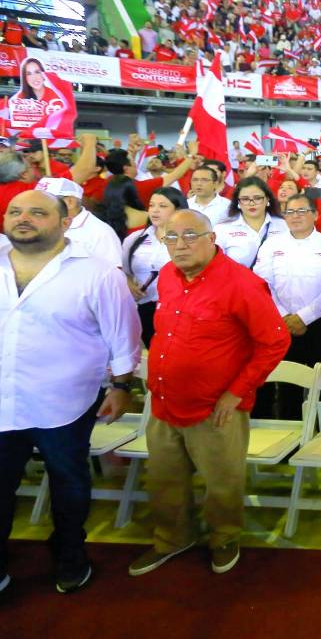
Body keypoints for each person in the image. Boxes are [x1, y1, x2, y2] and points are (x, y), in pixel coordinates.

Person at [128, 210, 290, 578]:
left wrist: (236, 392)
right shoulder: (169, 275)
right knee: (165, 479)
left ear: (212, 238)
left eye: (189, 235)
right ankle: (173, 538)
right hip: (165, 401)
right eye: (171, 237)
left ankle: (224, 537)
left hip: (215, 408)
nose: (179, 244)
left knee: (222, 480)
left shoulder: (242, 284)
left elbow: (275, 341)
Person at [0, 190, 141, 595]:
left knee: (69, 482)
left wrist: (120, 385)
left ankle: (69, 555)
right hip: (3, 397)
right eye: (15, 211)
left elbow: (122, 333)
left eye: (37, 212)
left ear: (65, 222)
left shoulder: (95, 271)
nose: (23, 218)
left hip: (64, 400)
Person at [253, 192, 321, 419]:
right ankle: (290, 435)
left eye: (302, 211)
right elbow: (262, 283)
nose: (295, 216)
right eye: (289, 212)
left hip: (320, 323)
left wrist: (303, 317)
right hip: (281, 323)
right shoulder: (271, 244)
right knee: (287, 384)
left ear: (315, 214)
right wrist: (286, 316)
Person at [121, 187, 188, 346]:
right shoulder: (135, 239)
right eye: (151, 205)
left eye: (163, 206)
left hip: (179, 308)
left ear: (178, 209)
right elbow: (124, 271)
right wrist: (130, 285)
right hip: (145, 308)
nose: (155, 211)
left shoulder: (188, 239)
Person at [35, 177, 121, 269]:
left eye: (45, 201)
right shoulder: (37, 224)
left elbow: (113, 274)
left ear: (70, 202)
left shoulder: (100, 232)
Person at [214, 178, 286, 268]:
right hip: (239, 281)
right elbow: (216, 265)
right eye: (245, 199)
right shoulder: (222, 229)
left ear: (267, 199)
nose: (252, 203)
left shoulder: (284, 225)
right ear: (238, 202)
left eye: (257, 198)